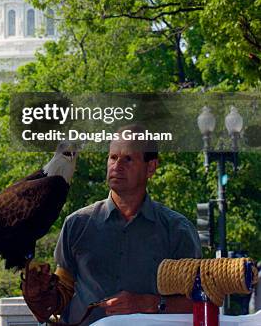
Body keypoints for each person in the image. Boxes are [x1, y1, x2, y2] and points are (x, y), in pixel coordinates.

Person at [22, 127, 201, 324]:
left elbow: (199, 302)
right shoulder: (77, 224)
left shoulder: (177, 230)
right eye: (113, 157)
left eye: (128, 159)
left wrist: (148, 304)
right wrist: (40, 295)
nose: (117, 166)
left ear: (151, 167)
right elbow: (62, 295)